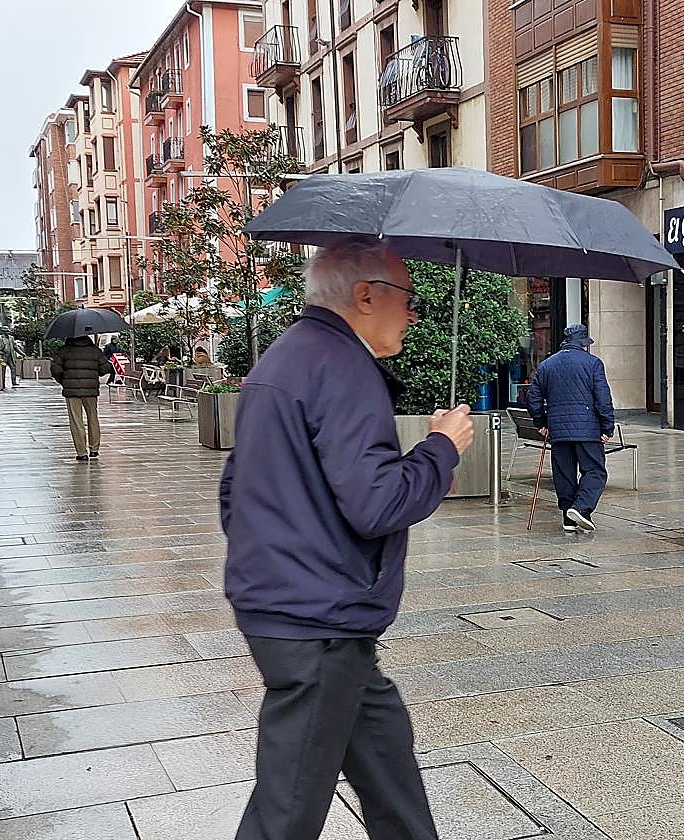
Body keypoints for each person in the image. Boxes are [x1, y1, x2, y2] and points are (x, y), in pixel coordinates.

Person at [221, 241, 474, 840]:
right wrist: (441, 448)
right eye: (408, 300)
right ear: (366, 296)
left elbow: (235, 492)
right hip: (319, 624)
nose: (414, 315)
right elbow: (378, 503)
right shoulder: (346, 369)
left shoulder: (284, 358)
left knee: (387, 761)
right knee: (286, 810)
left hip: (307, 612)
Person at [526, 324, 615, 532]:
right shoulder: (593, 363)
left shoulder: (547, 365)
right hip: (588, 429)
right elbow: (603, 399)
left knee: (564, 473)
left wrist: (541, 423)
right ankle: (581, 508)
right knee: (595, 470)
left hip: (558, 431)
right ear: (584, 344)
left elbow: (533, 399)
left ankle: (568, 518)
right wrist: (607, 427)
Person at [51, 335, 114, 461]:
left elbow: (55, 369)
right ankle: (94, 449)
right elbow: (105, 368)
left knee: (76, 420)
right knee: (93, 418)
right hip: (91, 390)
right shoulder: (95, 350)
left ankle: (81, 452)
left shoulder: (63, 350)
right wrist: (94, 373)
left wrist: (64, 381)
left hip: (71, 390)